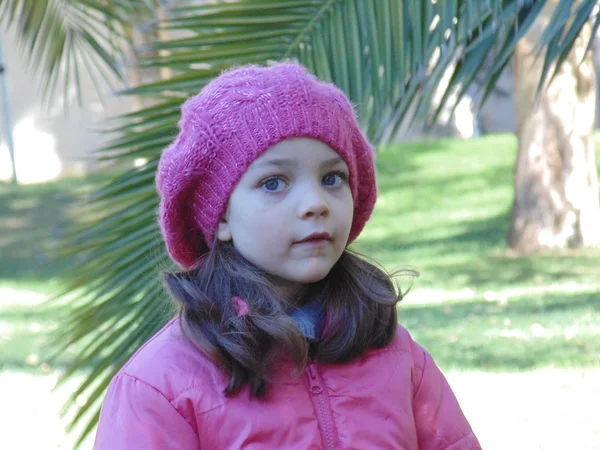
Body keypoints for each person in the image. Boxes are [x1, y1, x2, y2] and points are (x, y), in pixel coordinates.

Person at [94, 61, 481, 449]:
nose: (315, 203)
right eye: (273, 182)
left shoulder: (400, 358)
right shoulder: (160, 387)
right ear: (221, 216)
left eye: (332, 178)